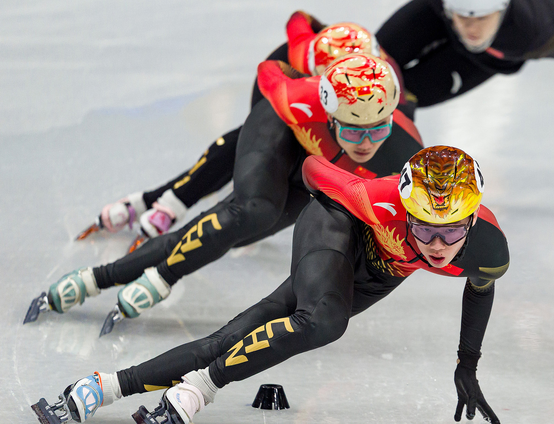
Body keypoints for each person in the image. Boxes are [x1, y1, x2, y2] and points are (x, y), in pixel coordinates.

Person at [33, 146, 509, 424]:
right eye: (423, 227)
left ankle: (105, 386)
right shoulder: (375, 198)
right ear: (405, 211)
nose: (438, 246)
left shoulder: (488, 250)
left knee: (237, 335)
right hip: (334, 226)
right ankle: (201, 387)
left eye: (451, 232)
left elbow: (479, 292)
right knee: (323, 321)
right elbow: (313, 170)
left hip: (374, 276)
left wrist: (467, 366)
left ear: (472, 221)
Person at [26, 52, 424, 329]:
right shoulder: (298, 99)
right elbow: (269, 70)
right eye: (353, 130)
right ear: (330, 114)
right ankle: (128, 274)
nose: (366, 143)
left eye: (378, 129)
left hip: (317, 170)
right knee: (252, 210)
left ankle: (101, 274)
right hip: (280, 130)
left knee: (234, 233)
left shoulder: (403, 154)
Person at [77, 11, 387, 245]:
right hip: (283, 91)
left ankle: (158, 202)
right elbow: (298, 20)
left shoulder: (380, 80)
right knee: (253, 146)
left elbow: (299, 19)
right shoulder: (299, 59)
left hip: (324, 103)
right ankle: (168, 202)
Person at [374, 0, 554, 107]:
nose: (472, 29)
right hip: (442, 17)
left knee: (406, 96)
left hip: (482, 59)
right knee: (373, 59)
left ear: (502, 8)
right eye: (464, 17)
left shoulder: (533, 29)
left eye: (482, 18)